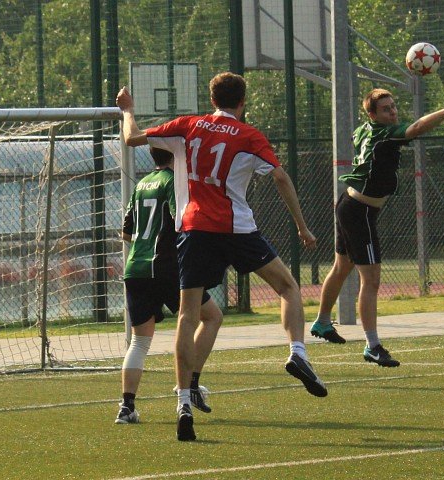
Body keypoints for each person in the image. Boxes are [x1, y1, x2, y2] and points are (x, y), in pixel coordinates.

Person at [117, 72, 327, 442]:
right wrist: (302, 226)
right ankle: (297, 352)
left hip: (194, 229)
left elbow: (132, 138)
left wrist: (128, 110)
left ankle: (183, 401)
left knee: (188, 315)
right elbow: (280, 177)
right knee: (287, 288)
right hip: (237, 229)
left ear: (212, 99)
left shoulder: (188, 126)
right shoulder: (249, 136)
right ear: (242, 102)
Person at [311, 88, 444, 367]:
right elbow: (416, 128)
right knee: (371, 280)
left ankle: (322, 321)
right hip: (359, 212)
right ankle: (372, 346)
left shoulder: (365, 130)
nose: (393, 112)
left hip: (350, 205)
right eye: (386, 109)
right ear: (372, 114)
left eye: (393, 106)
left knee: (341, 268)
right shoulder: (384, 134)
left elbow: (363, 137)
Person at [115, 146, 223, 425]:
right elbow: (182, 223)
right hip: (167, 267)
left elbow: (126, 233)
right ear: (176, 154)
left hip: (135, 268)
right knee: (212, 317)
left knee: (139, 341)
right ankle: (189, 383)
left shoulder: (141, 184)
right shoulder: (173, 183)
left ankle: (126, 407)